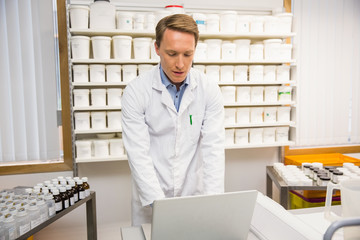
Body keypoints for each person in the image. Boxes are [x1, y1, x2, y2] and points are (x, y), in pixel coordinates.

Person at [121, 14, 225, 226]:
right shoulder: (136, 91)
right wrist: (159, 205)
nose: (180, 64)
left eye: (188, 54)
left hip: (193, 193)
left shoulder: (208, 89)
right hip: (151, 193)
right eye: (172, 53)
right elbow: (138, 155)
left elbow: (213, 149)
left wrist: (214, 201)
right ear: (157, 48)